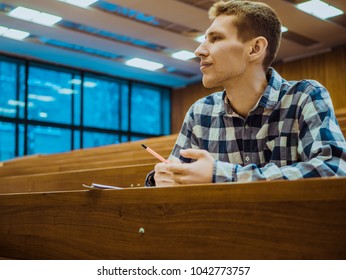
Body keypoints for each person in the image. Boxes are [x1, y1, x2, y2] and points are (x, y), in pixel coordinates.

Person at [145, 0, 346, 187]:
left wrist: (222, 175)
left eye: (215, 39)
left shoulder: (305, 96)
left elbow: (335, 169)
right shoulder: (199, 113)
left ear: (255, 49)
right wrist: (162, 178)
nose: (199, 50)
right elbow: (176, 173)